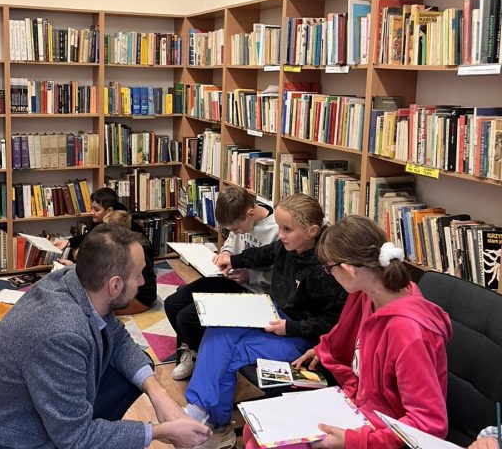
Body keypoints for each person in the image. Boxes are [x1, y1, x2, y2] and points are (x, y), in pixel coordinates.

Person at [0, 224, 211, 449]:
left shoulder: (74, 278)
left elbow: (118, 338)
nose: (143, 282)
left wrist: (160, 396)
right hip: (2, 440)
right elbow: (75, 438)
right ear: (115, 285)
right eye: (138, 274)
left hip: (10, 416)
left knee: (139, 367)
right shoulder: (62, 334)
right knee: (86, 430)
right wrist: (158, 431)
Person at [242, 215, 453, 449]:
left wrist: (352, 441)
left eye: (329, 268)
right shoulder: (369, 292)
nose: (329, 274)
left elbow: (428, 424)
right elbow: (346, 331)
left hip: (381, 430)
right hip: (359, 406)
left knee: (266, 442)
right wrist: (320, 349)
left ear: (349, 269)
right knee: (254, 430)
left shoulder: (408, 333)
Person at [184, 194, 347, 449]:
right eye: (279, 227)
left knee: (230, 355)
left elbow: (334, 321)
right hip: (273, 312)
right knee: (218, 327)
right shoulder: (288, 246)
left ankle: (217, 425)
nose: (280, 235)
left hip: (299, 337)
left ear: (312, 231)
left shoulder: (325, 269)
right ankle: (197, 408)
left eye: (287, 229)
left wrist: (290, 328)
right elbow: (265, 253)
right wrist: (232, 259)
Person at [165, 186, 278, 380]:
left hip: (256, 292)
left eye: (235, 229)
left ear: (250, 215)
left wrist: (251, 276)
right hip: (232, 279)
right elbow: (231, 240)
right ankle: (193, 350)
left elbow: (281, 276)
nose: (234, 233)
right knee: (172, 303)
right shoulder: (241, 219)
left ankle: (210, 361)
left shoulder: (276, 229)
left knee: (187, 317)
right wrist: (225, 252)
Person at [56, 186, 157, 314]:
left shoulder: (124, 250)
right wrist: (73, 265)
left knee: (86, 304)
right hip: (128, 290)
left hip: (139, 298)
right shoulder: (117, 231)